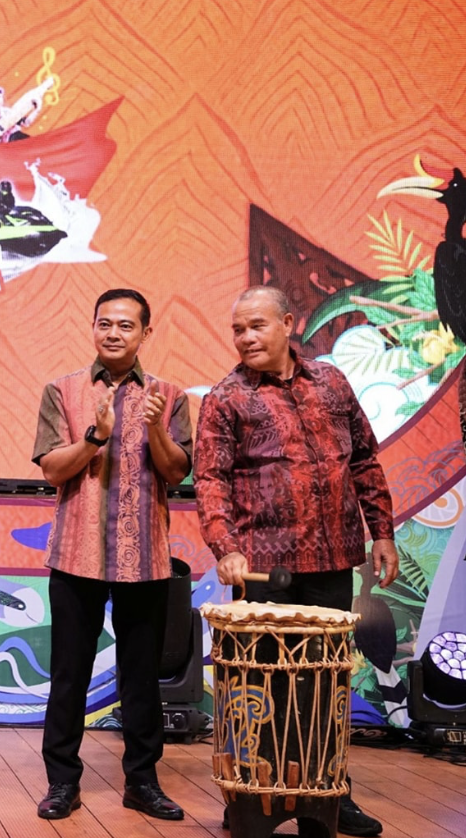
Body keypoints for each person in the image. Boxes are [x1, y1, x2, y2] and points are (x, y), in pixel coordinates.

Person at [194, 285, 399, 838]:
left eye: (256, 326)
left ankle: (330, 797)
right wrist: (226, 547)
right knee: (266, 690)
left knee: (325, 688)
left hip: (333, 559)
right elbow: (210, 480)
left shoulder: (332, 382)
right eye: (238, 329)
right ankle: (255, 799)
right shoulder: (225, 398)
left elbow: (364, 460)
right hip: (264, 569)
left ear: (288, 323)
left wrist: (382, 532)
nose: (245, 337)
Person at [32, 289, 192, 822]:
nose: (114, 333)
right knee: (69, 674)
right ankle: (62, 782)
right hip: (76, 555)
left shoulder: (169, 396)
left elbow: (176, 472)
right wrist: (95, 437)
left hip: (145, 558)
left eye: (126, 325)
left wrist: (153, 427)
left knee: (141, 676)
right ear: (93, 328)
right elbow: (52, 470)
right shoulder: (62, 390)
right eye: (105, 323)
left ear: (146, 333)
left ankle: (142, 782)